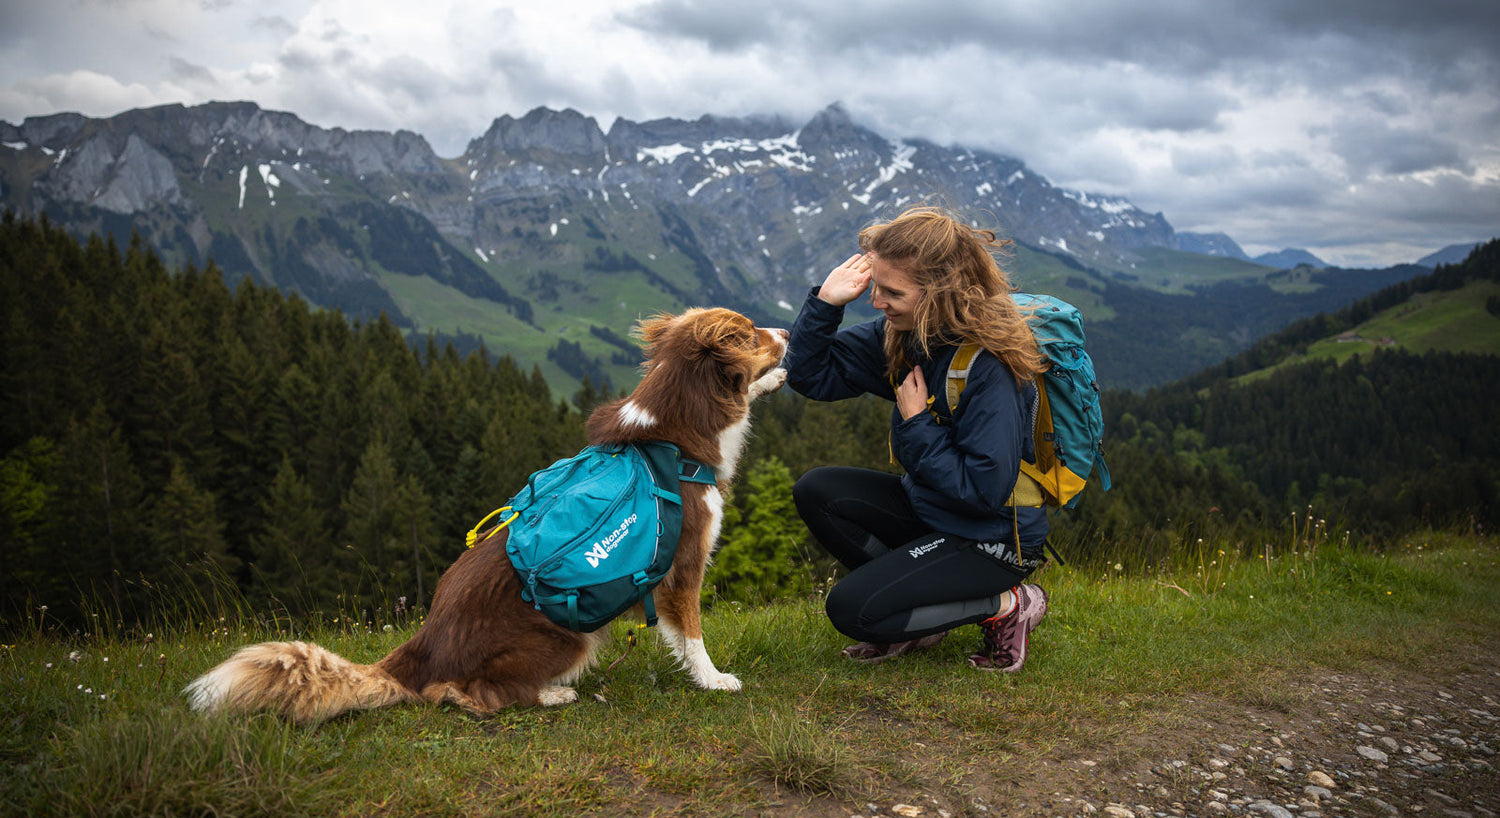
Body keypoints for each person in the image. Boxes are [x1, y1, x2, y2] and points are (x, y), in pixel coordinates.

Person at [786, 206, 1052, 671]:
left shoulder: (992, 367)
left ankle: (1009, 605)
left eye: (892, 292)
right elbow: (811, 375)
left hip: (991, 539)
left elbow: (984, 492)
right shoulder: (904, 336)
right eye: (875, 286)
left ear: (938, 294)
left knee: (852, 610)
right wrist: (826, 305)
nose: (877, 302)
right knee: (818, 489)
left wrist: (917, 425)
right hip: (934, 513)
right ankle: (916, 608)